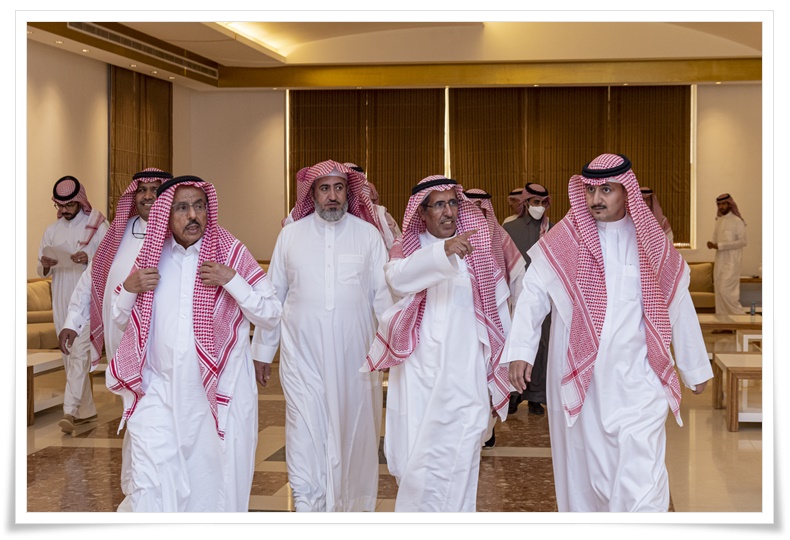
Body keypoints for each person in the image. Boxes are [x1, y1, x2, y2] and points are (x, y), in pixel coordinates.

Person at [504, 154, 713, 512]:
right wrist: (521, 349)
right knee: (590, 479)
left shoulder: (651, 242)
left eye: (606, 190)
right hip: (584, 380)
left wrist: (694, 368)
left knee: (644, 478)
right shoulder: (565, 240)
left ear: (626, 191)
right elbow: (534, 293)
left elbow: (677, 302)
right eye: (590, 190)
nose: (596, 198)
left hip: (640, 380)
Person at [106, 176, 282, 512]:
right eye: (182, 208)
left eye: (199, 206)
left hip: (216, 396)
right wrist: (129, 288)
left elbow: (271, 314)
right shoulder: (151, 256)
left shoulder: (231, 253)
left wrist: (232, 281)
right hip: (158, 391)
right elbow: (119, 318)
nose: (193, 215)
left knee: (212, 489)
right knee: (150, 484)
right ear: (166, 214)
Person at [364, 175, 512, 511]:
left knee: (461, 455)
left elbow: (499, 313)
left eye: (453, 203)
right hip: (418, 376)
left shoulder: (478, 251)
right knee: (414, 461)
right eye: (439, 205)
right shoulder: (407, 248)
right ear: (422, 211)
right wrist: (443, 251)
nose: (448, 211)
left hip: (465, 376)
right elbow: (398, 279)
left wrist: (501, 370)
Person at [252, 160, 392, 512]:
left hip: (356, 359)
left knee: (352, 432)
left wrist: (391, 348)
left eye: (339, 188)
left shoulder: (368, 235)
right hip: (302, 356)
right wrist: (263, 352)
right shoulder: (291, 236)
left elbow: (382, 298)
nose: (333, 196)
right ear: (312, 194)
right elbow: (273, 297)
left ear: (348, 192)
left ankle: (348, 508)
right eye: (324, 188)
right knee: (304, 428)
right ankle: (307, 504)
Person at [57, 167, 171, 508]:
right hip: (122, 341)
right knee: (134, 413)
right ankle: (137, 491)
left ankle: (146, 492)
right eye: (142, 189)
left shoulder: (177, 232)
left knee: (156, 417)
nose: (148, 195)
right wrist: (73, 321)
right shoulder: (116, 236)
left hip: (163, 344)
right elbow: (91, 280)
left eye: (155, 189)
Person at [37, 175, 108, 434]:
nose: (64, 210)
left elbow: (109, 260)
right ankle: (85, 411)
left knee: (79, 352)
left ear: (80, 201)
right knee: (68, 353)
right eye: (60, 205)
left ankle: (69, 409)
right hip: (61, 295)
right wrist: (45, 264)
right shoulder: (52, 230)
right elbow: (40, 265)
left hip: (89, 296)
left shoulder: (98, 225)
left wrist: (87, 258)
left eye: (69, 205)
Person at [465, 188, 526, 445]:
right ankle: (471, 434)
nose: (477, 215)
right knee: (470, 379)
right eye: (471, 210)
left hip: (497, 321)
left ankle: (487, 431)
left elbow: (519, 275)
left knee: (489, 375)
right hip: (465, 323)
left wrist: (516, 313)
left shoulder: (499, 236)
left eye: (482, 210)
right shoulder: (456, 239)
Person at [502, 183, 554, 416]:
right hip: (516, 297)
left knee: (543, 346)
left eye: (543, 203)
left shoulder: (553, 229)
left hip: (545, 298)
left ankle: (536, 396)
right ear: (525, 203)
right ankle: (514, 395)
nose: (539, 207)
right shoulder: (509, 228)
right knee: (516, 343)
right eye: (535, 202)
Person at [344, 162, 402, 251]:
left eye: (355, 186)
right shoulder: (333, 217)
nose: (352, 192)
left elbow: (398, 247)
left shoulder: (382, 216)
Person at [707, 193, 747, 315]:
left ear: (730, 204)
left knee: (727, 292)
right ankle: (723, 322)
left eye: (723, 204)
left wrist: (720, 245)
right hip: (720, 261)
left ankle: (741, 319)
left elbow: (743, 242)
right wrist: (712, 244)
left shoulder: (737, 221)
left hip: (732, 263)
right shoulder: (718, 221)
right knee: (719, 291)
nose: (721, 207)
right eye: (719, 204)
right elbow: (715, 240)